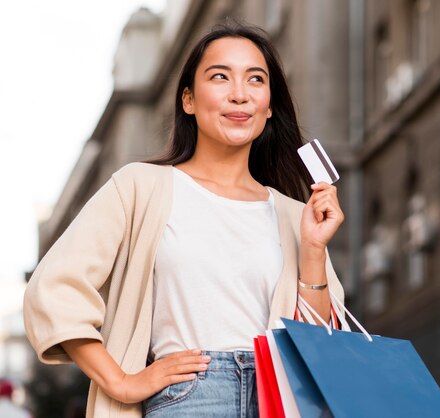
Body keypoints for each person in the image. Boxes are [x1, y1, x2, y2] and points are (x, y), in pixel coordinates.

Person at [23, 22, 345, 418]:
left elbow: (317, 346)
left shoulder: (296, 215)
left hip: (280, 401)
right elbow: (56, 288)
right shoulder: (141, 187)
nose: (239, 94)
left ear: (269, 106)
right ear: (189, 100)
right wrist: (122, 380)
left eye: (255, 80)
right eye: (220, 77)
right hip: (192, 398)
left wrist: (313, 249)